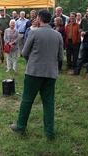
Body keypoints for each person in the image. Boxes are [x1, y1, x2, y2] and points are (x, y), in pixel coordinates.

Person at [10, 10, 63, 139]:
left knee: (27, 100)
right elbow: (61, 56)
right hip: (51, 73)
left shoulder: (34, 32)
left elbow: (25, 52)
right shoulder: (58, 35)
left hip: (34, 72)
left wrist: (33, 60)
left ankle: (21, 126)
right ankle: (49, 132)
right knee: (49, 103)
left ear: (39, 19)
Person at [68, 6, 88, 78]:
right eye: (87, 11)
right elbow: (80, 27)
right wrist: (81, 31)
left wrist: (86, 32)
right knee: (80, 57)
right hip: (84, 40)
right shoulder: (84, 19)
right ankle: (76, 71)